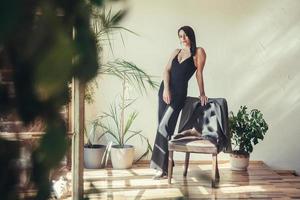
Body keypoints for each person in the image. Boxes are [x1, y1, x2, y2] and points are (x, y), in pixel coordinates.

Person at [150, 25, 208, 179]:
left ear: (191, 36)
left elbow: (199, 74)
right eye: (180, 36)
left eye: (185, 35)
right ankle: (166, 165)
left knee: (165, 126)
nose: (183, 39)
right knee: (162, 127)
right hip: (165, 92)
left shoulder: (198, 52)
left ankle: (160, 167)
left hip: (179, 95)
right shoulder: (176, 52)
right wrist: (166, 89)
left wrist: (202, 93)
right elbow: (166, 71)